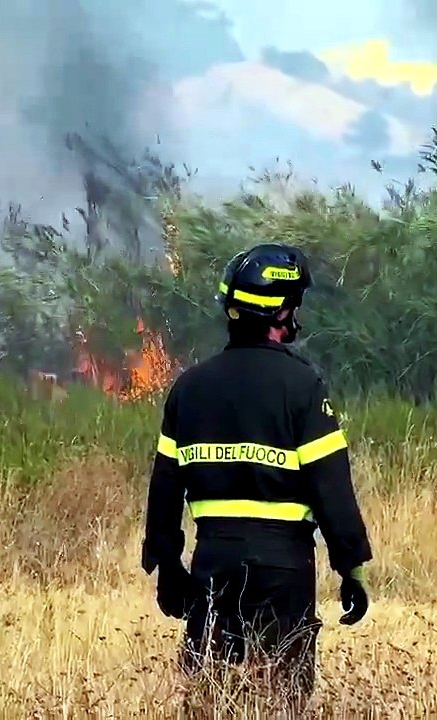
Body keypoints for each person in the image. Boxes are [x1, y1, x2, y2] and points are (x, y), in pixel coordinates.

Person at [141, 242, 373, 712]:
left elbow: (164, 487)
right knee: (282, 696)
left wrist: (166, 564)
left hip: (214, 560)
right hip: (282, 565)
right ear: (281, 312)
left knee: (208, 694)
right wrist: (351, 568)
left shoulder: (189, 388)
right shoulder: (302, 386)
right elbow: (332, 487)